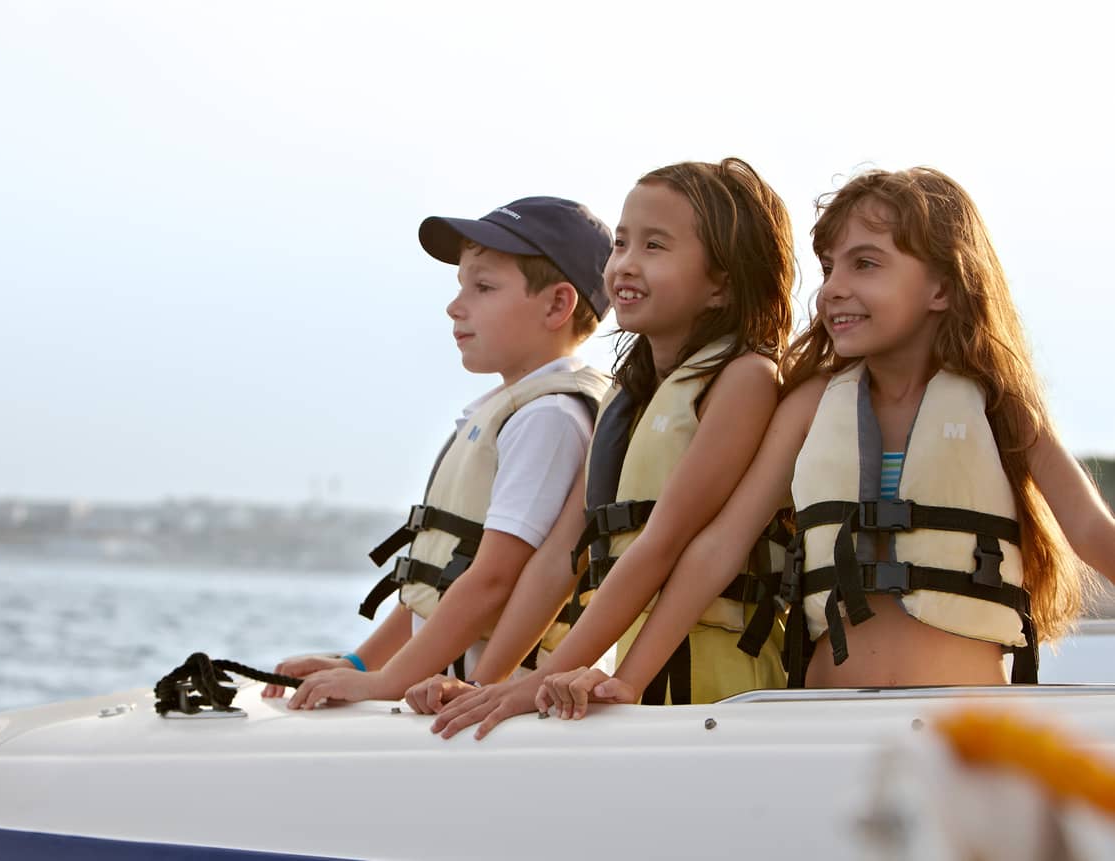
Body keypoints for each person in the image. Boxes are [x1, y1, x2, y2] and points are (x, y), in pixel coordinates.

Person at [511, 167, 1115, 726]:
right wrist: (631, 678)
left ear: (943, 287)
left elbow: (1090, 533)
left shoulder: (999, 404)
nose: (833, 290)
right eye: (829, 267)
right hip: (826, 717)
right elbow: (718, 546)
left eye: (866, 265)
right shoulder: (809, 404)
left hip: (963, 724)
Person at [424, 158, 797, 734]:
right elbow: (561, 557)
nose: (625, 264)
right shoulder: (629, 393)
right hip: (638, 679)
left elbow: (665, 540)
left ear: (721, 281)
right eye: (621, 244)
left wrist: (569, 678)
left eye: (655, 246)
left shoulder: (744, 378)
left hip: (722, 688)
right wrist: (490, 686)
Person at [259, 196, 613, 707]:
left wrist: (385, 684)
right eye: (461, 287)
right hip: (443, 690)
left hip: (492, 703)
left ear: (557, 306)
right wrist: (361, 664)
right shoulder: (510, 409)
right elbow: (442, 585)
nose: (455, 306)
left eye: (484, 287)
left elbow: (493, 579)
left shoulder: (548, 419)